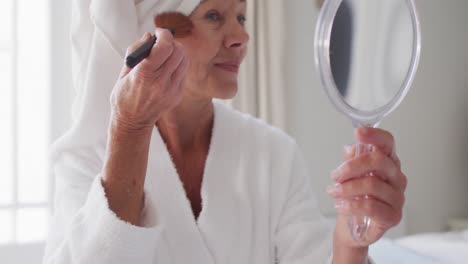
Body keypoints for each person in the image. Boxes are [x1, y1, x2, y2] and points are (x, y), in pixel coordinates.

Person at [43, 0, 407, 263]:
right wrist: (130, 130)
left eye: (242, 16)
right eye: (214, 15)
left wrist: (351, 244)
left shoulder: (273, 153)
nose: (241, 38)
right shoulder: (89, 158)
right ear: (150, 35)